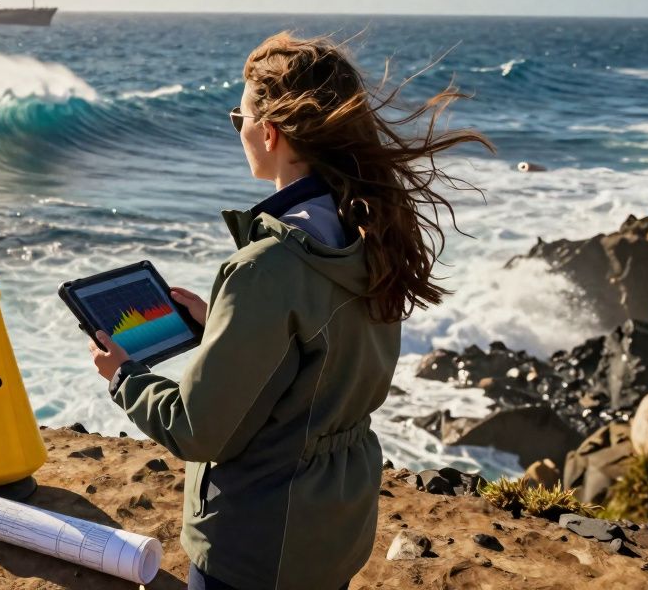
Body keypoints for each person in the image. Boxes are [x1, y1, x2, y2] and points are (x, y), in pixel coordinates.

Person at [87, 31, 494, 590]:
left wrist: (124, 377)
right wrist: (227, 329)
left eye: (240, 117)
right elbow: (323, 364)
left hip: (257, 547)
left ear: (269, 132)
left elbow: (197, 430)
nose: (239, 130)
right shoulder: (371, 235)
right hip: (333, 528)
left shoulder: (266, 269)